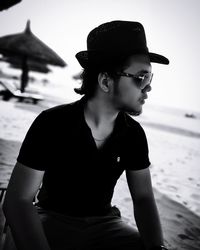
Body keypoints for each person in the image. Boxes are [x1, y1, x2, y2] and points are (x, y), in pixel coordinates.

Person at [3, 20, 170, 250]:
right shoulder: (52, 123)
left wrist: (156, 247)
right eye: (141, 77)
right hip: (51, 218)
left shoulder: (134, 134)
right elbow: (18, 201)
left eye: (151, 78)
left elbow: (142, 198)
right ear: (105, 81)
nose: (148, 87)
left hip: (106, 224)